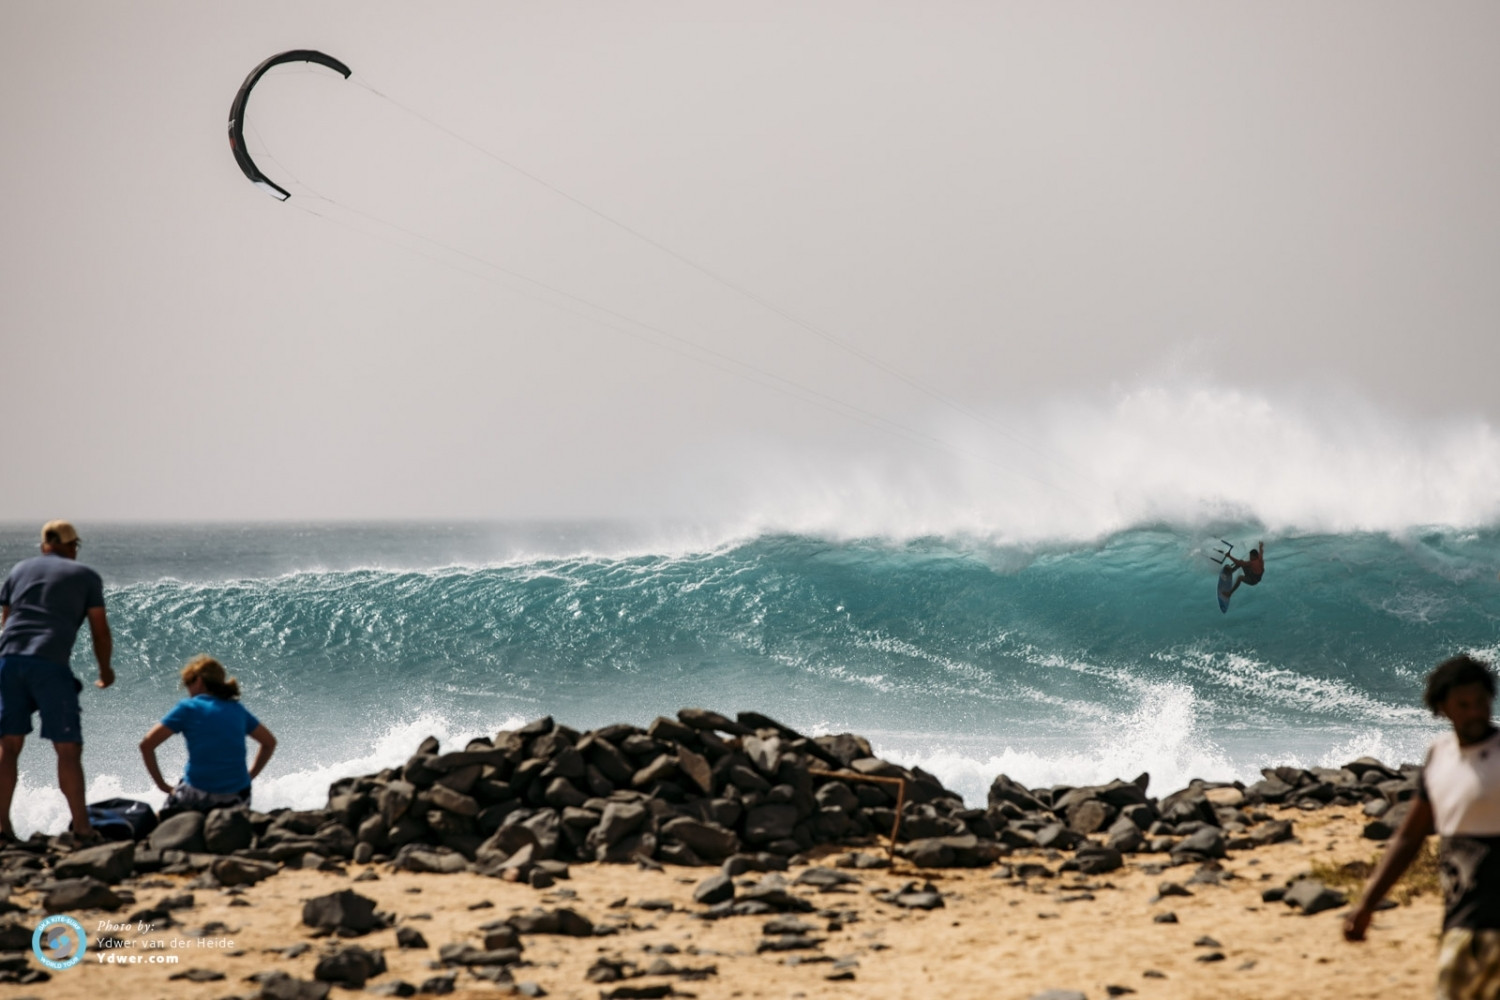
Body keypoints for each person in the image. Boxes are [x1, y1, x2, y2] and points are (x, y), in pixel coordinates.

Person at [1344, 654, 1500, 997]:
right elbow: (1410, 836)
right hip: (1462, 925)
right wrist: (1367, 904)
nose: (1474, 712)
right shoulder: (1439, 756)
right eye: (1463, 704)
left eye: (1481, 702)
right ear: (1442, 707)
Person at [0, 520, 113, 842]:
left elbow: (7, 624)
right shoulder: (85, 576)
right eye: (75, 545)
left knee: (8, 746)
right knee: (67, 748)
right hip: (48, 664)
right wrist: (105, 670)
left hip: (9, 661)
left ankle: (3, 829)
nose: (76, 551)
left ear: (44, 545)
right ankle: (82, 828)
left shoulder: (18, 571)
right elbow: (99, 629)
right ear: (68, 545)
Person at [140, 655, 275, 815]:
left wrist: (163, 786)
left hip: (198, 793)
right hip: (237, 797)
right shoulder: (237, 709)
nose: (188, 689)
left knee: (160, 819)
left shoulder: (188, 708)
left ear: (199, 681)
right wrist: (249, 776)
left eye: (188, 682)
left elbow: (146, 745)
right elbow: (269, 743)